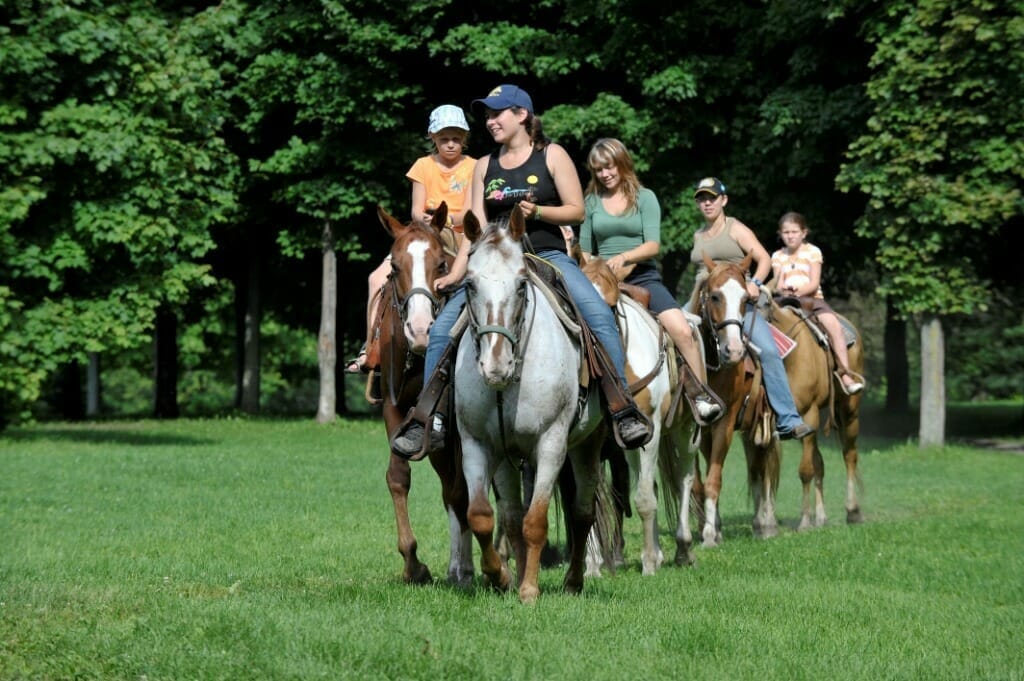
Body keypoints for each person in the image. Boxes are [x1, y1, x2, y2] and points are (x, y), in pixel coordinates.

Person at [390, 85, 653, 457]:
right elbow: (474, 227)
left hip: (546, 255)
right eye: (487, 115)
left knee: (597, 315)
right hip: (493, 262)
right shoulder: (484, 164)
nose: (490, 121)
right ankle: (428, 419)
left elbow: (577, 210)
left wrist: (539, 213)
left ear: (522, 115)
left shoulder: (552, 155)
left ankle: (621, 406)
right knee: (440, 333)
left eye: (497, 113)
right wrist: (456, 274)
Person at [580, 138, 723, 426]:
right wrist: (595, 264)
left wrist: (624, 257)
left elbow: (653, 245)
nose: (605, 174)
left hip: (642, 275)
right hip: (601, 278)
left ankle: (700, 396)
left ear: (622, 163)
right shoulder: (591, 202)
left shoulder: (645, 197)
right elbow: (583, 247)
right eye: (598, 170)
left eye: (609, 167)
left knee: (682, 329)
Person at [345, 104, 475, 374]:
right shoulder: (422, 166)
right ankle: (373, 346)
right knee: (375, 278)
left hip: (461, 236)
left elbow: (470, 212)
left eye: (456, 139)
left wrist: (447, 220)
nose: (450, 145)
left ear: (464, 138)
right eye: (444, 139)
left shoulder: (475, 167)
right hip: (425, 232)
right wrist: (425, 221)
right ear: (432, 137)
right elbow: (416, 209)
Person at [690, 177, 813, 440]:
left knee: (768, 350)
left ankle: (787, 418)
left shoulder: (736, 229)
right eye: (702, 198)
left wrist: (755, 282)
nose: (707, 203)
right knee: (666, 331)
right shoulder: (698, 235)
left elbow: (764, 258)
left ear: (724, 200)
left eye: (712, 198)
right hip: (704, 302)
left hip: (736, 302)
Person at [770, 212, 864, 394]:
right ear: (780, 234)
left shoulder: (813, 252)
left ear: (804, 233)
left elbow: (814, 283)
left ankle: (845, 374)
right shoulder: (777, 256)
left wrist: (797, 291)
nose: (790, 236)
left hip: (812, 300)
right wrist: (784, 290)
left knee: (834, 328)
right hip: (784, 301)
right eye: (786, 232)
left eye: (794, 232)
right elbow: (778, 283)